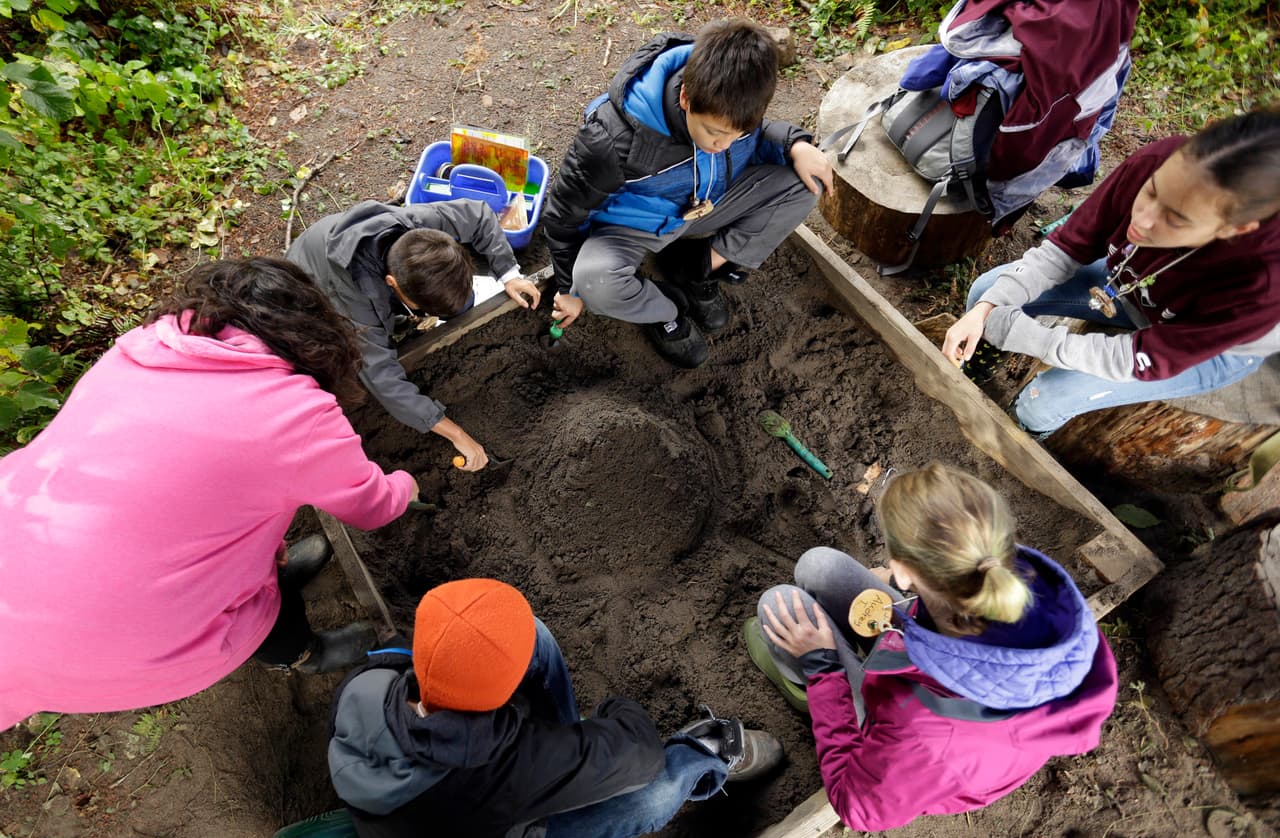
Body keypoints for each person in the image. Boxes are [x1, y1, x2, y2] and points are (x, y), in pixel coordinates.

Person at [0, 258, 419, 734]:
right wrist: (407, 483)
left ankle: (263, 575)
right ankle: (305, 654)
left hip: (23, 539)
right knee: (258, 618)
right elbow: (372, 506)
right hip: (120, 634)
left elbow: (180, 489)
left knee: (242, 538)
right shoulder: (296, 414)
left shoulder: (140, 350)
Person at [328, 578, 783, 838]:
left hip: (419, 820)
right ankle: (703, 753)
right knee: (655, 789)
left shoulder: (370, 681)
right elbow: (639, 752)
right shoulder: (504, 762)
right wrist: (613, 711)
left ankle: (571, 742)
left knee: (532, 637)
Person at [744, 463, 1117, 832]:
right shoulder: (1030, 589)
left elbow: (856, 809)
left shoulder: (925, 736)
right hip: (953, 681)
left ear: (906, 571)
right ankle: (841, 664)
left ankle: (805, 689)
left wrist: (823, 668)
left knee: (777, 604)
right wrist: (906, 589)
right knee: (820, 566)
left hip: (933, 742)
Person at [943, 108, 1280, 435]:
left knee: (1043, 403)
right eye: (1151, 191)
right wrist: (990, 308)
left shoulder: (1264, 282)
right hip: (1128, 283)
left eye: (1176, 219)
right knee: (986, 294)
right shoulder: (1158, 161)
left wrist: (1034, 339)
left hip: (1204, 348)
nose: (1142, 220)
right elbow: (1067, 248)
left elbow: (1147, 356)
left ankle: (1018, 437)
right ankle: (975, 365)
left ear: (1235, 229)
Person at [541, 19, 833, 369]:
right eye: (713, 132)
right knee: (594, 283)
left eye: (737, 132)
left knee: (806, 183)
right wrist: (566, 290)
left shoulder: (729, 100)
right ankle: (667, 308)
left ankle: (695, 267)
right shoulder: (611, 142)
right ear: (685, 98)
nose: (722, 145)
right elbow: (561, 216)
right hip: (632, 229)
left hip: (702, 206)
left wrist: (795, 144)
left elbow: (754, 140)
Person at [287, 199, 542, 470]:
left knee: (461, 304)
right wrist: (456, 433)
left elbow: (479, 214)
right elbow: (384, 379)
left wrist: (509, 274)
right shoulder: (357, 304)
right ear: (392, 284)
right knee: (346, 359)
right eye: (417, 306)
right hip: (310, 289)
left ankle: (411, 313)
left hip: (371, 268)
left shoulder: (421, 230)